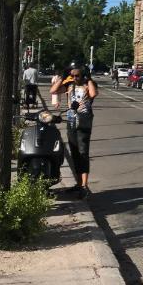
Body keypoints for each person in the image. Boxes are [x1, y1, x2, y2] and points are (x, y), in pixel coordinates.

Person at [51, 65, 98, 199]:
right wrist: (64, 77)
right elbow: (53, 90)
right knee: (74, 152)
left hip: (84, 121)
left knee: (83, 152)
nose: (75, 78)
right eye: (73, 75)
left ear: (83, 75)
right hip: (71, 120)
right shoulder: (69, 85)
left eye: (77, 75)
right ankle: (78, 184)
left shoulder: (89, 85)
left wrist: (88, 79)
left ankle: (84, 186)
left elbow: (93, 94)